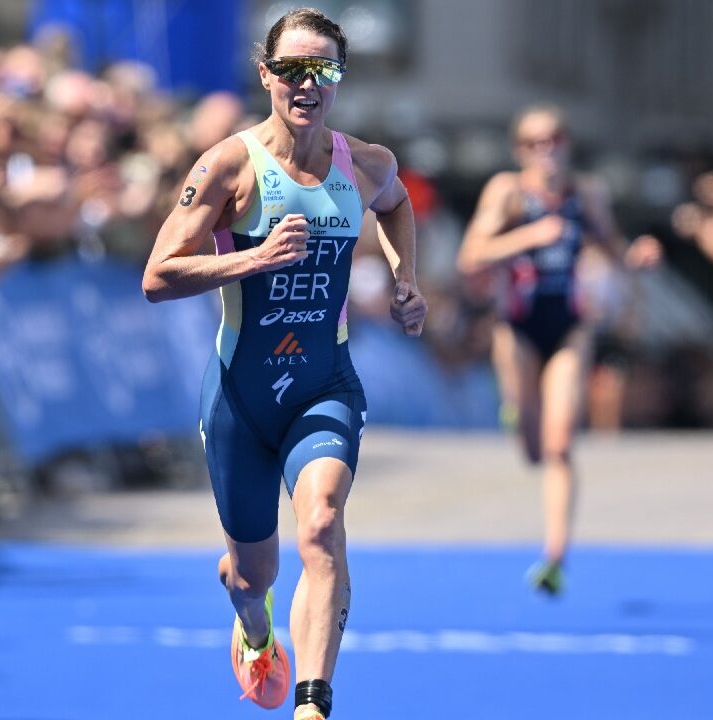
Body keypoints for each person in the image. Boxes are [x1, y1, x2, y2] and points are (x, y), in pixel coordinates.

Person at [142, 8, 427, 718]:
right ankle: (254, 627)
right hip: (241, 395)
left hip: (322, 384)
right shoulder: (228, 166)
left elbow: (395, 209)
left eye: (322, 70)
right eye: (292, 70)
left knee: (323, 524)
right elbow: (157, 275)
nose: (307, 85)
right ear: (266, 74)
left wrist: (405, 278)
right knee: (253, 572)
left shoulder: (366, 163)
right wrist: (254, 257)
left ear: (338, 78)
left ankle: (313, 701)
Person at [457, 103, 661, 596]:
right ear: (520, 151)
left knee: (559, 443)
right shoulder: (507, 191)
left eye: (554, 140)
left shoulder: (584, 194)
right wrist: (528, 234)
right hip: (519, 327)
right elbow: (471, 255)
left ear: (567, 144)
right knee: (532, 449)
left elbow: (615, 250)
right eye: (534, 143)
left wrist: (639, 256)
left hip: (569, 325)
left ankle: (554, 555)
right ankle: (516, 411)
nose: (546, 151)